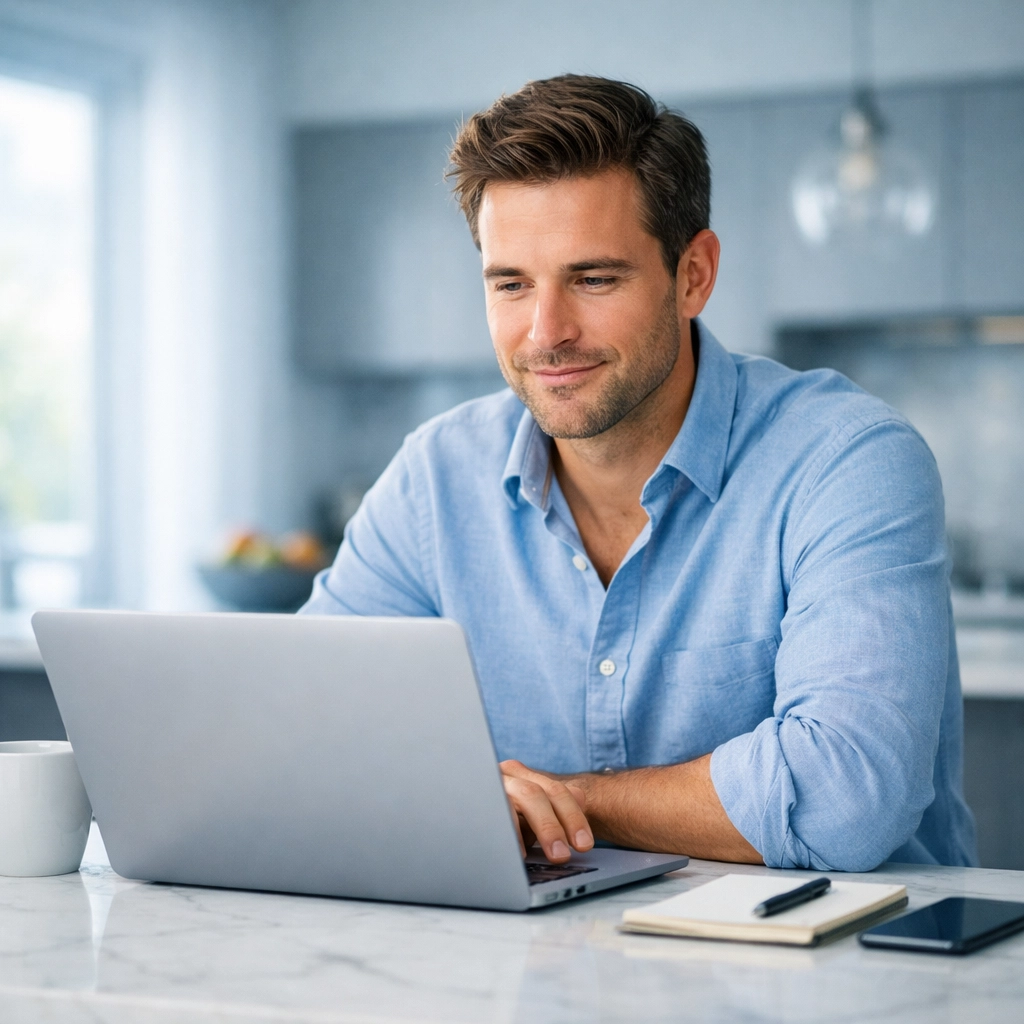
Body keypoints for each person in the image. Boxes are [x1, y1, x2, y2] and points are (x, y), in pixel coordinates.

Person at [301, 74, 977, 871]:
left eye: (594, 279)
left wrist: (552, 806)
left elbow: (846, 797)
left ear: (693, 275)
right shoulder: (434, 478)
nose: (546, 332)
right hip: (538, 968)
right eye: (510, 284)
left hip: (850, 975)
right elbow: (309, 739)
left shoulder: (846, 459)